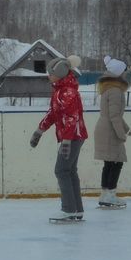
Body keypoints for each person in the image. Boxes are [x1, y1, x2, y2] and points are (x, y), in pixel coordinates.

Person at [29, 54, 88, 223]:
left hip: (73, 137)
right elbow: (53, 113)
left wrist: (67, 141)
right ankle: (76, 210)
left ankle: (68, 209)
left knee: (61, 170)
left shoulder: (68, 92)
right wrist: (39, 131)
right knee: (69, 171)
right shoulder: (60, 90)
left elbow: (72, 118)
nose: (48, 75)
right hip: (73, 136)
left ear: (60, 74)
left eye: (50, 73)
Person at [94, 55, 131, 209]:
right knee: (116, 162)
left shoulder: (108, 89)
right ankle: (110, 195)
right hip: (110, 131)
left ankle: (105, 194)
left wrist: (126, 128)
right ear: (118, 73)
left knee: (109, 163)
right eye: (123, 72)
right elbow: (114, 116)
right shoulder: (115, 91)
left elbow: (113, 114)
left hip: (105, 128)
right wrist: (121, 135)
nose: (125, 75)